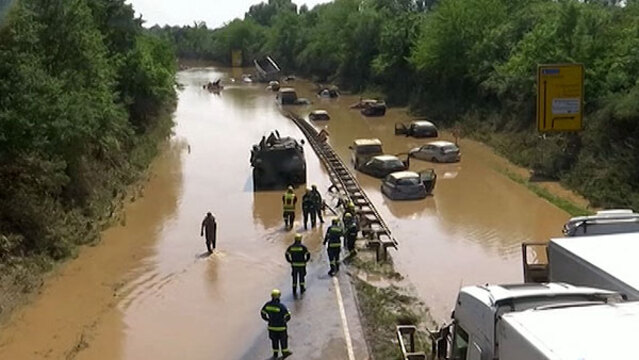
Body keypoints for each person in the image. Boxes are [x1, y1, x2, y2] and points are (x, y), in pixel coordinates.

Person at [260, 289, 292, 359]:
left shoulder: (267, 305)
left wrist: (267, 319)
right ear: (279, 296)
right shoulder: (281, 306)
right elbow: (288, 316)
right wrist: (284, 321)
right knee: (283, 340)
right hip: (281, 328)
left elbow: (262, 312)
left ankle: (275, 354)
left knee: (274, 340)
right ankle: (285, 353)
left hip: (271, 327)